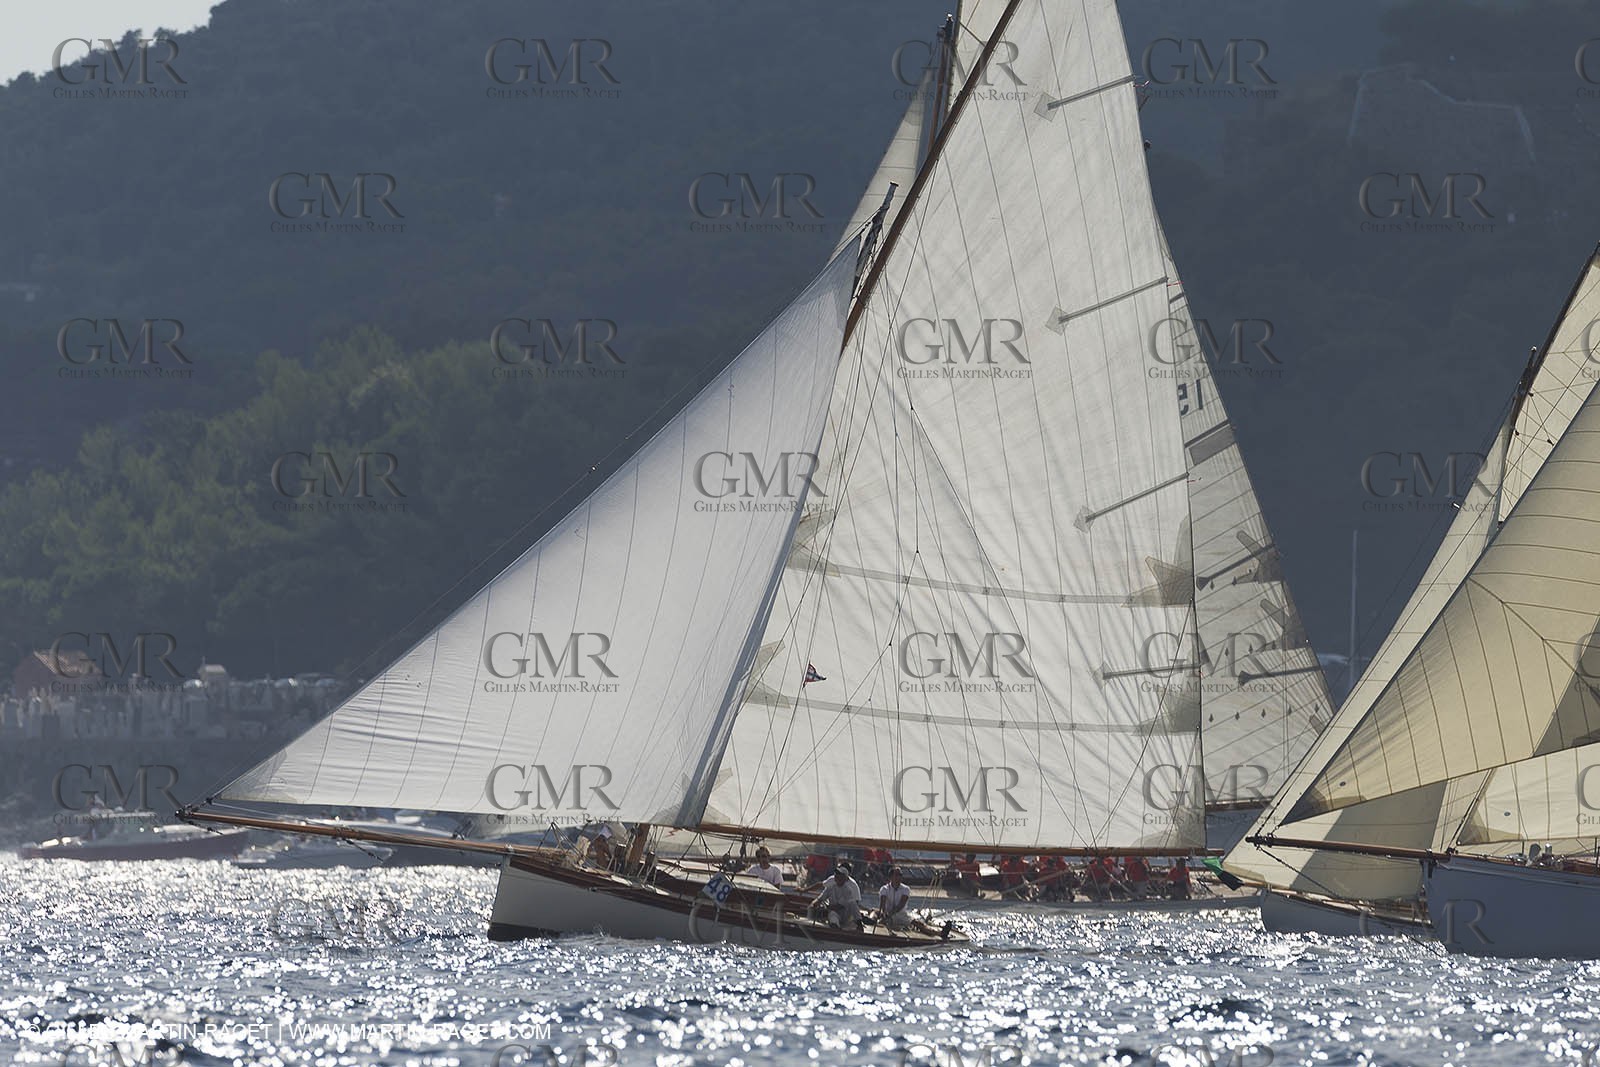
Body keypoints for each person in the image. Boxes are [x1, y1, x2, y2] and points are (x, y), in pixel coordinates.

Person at [811, 863, 863, 928]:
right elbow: (820, 898)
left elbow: (839, 906)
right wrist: (813, 904)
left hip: (846, 915)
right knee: (832, 914)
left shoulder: (848, 890)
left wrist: (826, 908)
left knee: (852, 903)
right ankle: (835, 927)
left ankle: (859, 923)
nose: (836, 876)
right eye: (836, 874)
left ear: (844, 878)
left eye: (839, 874)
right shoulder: (830, 887)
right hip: (834, 913)